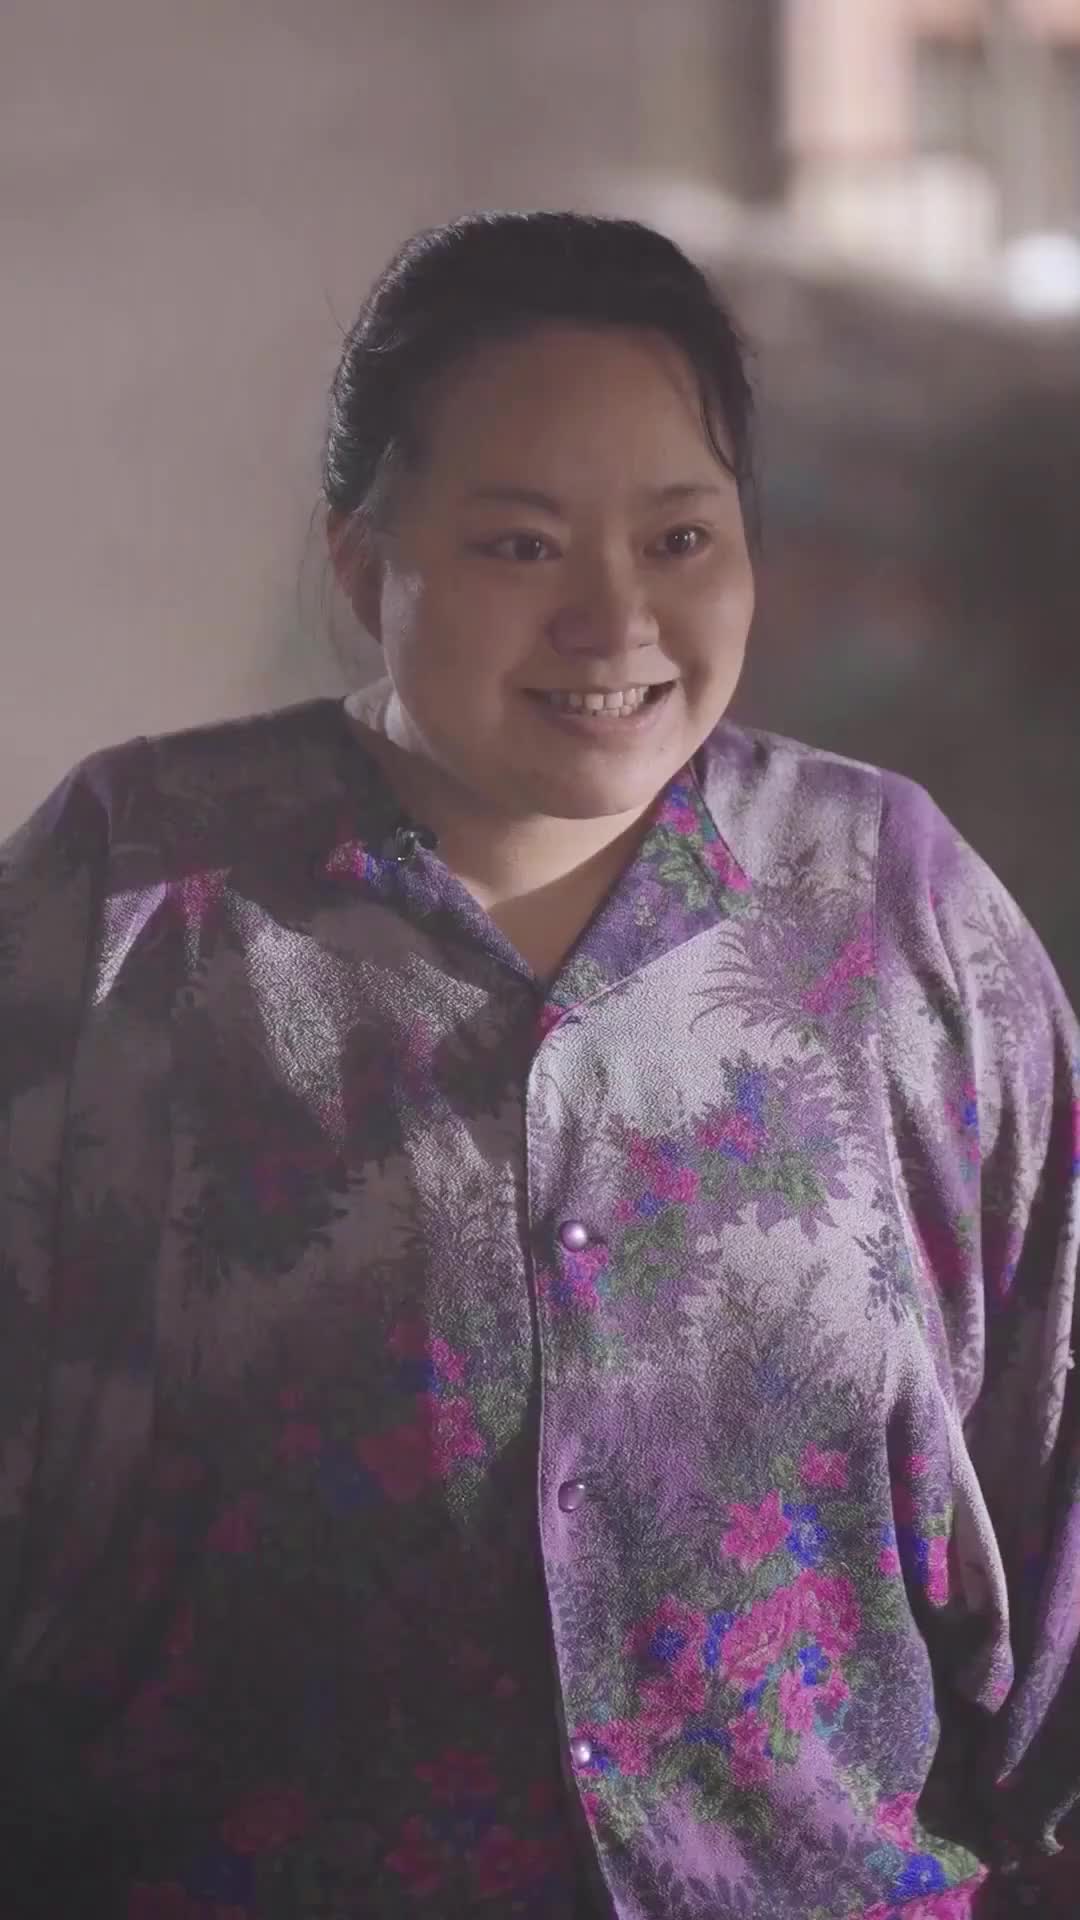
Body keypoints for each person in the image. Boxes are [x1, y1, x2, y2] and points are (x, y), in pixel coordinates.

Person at [0, 211, 1076, 1920]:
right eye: (520, 545)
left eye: (681, 537)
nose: (613, 619)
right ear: (364, 566)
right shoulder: (134, 895)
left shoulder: (891, 906)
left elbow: (1053, 1407)